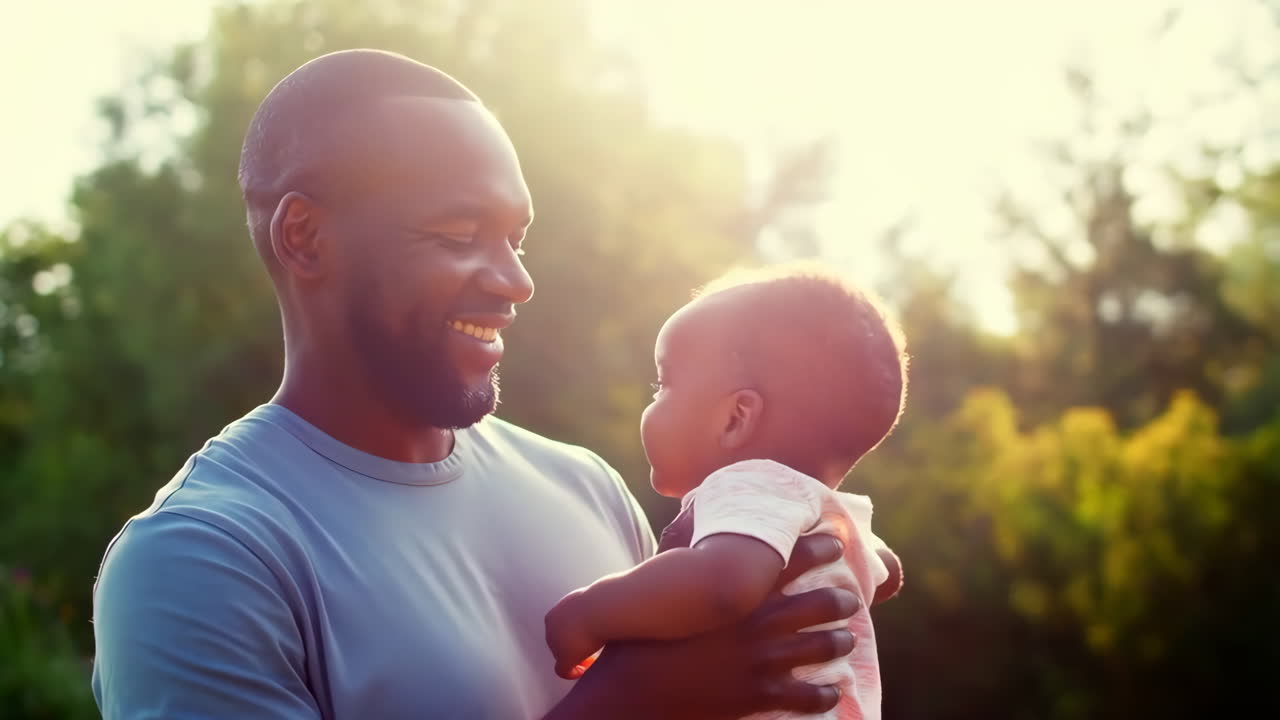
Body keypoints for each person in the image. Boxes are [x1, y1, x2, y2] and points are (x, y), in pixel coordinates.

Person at [90, 49, 865, 720]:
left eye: (515, 239)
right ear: (305, 237)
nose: (517, 281)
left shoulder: (585, 486)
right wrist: (636, 701)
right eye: (461, 236)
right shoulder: (199, 563)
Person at [544, 266, 908, 719]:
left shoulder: (747, 484)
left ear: (736, 418)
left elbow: (724, 584)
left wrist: (589, 609)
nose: (653, 400)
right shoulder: (823, 512)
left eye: (662, 385)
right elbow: (888, 573)